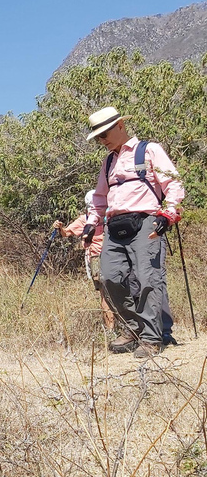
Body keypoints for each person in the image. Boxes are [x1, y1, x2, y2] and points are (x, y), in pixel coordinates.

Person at [83, 107, 184, 359]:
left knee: (148, 278)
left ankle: (152, 337)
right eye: (97, 137)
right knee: (110, 278)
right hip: (114, 227)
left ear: (120, 126)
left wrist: (168, 214)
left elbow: (172, 184)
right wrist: (91, 223)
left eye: (104, 133)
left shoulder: (149, 150)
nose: (101, 140)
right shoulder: (108, 161)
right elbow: (99, 197)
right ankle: (133, 329)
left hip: (146, 222)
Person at [53, 190, 114, 331]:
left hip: (107, 255)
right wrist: (60, 228)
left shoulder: (108, 216)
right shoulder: (86, 219)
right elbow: (67, 233)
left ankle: (113, 328)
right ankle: (111, 328)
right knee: (106, 293)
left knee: (107, 294)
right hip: (97, 257)